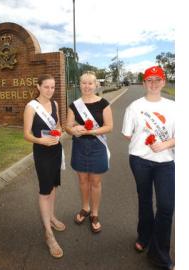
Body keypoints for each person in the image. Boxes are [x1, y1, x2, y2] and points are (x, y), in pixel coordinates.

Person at [122, 66, 175, 270]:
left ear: (163, 82)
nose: (153, 84)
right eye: (149, 80)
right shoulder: (134, 106)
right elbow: (127, 134)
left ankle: (159, 253)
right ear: (144, 83)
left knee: (166, 206)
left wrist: (166, 143)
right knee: (144, 200)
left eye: (157, 79)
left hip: (165, 162)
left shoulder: (174, 106)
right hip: (140, 160)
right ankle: (144, 236)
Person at [65, 71, 113, 233]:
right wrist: (73, 130)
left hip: (97, 146)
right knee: (83, 181)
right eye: (83, 83)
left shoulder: (103, 103)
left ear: (96, 85)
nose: (87, 86)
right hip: (80, 146)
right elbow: (67, 126)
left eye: (90, 83)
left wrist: (90, 132)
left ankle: (94, 213)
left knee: (95, 182)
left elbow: (109, 126)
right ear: (80, 85)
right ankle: (85, 208)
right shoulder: (74, 105)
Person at [23, 74, 65, 259]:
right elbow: (26, 135)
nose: (50, 90)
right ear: (38, 87)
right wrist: (41, 140)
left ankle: (52, 216)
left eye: (53, 87)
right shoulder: (31, 107)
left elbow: (58, 125)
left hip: (56, 150)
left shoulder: (54, 104)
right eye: (46, 87)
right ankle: (48, 234)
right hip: (42, 152)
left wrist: (59, 132)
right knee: (44, 191)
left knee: (54, 186)